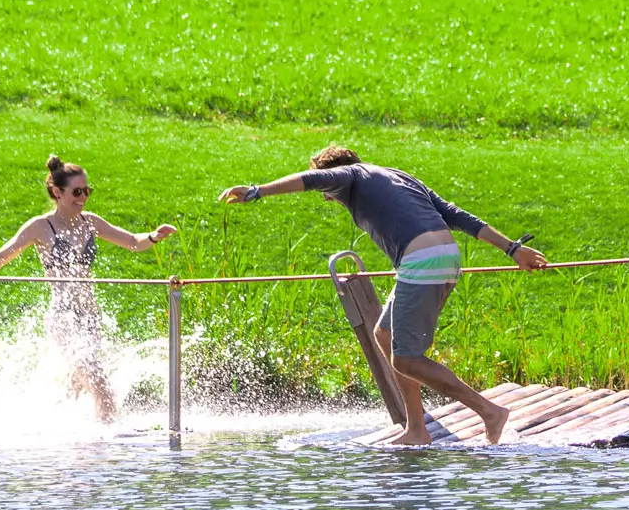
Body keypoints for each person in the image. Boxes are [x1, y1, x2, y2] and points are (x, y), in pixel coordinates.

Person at [220, 146, 548, 446]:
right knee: (385, 333)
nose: (327, 198)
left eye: (327, 193)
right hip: (443, 255)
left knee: (406, 359)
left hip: (424, 260)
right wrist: (512, 249)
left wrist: (256, 192)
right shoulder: (397, 176)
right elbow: (455, 214)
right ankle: (416, 430)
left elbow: (312, 179)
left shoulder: (351, 174)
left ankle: (489, 411)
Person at [0, 155, 177, 422]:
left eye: (87, 191)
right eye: (77, 191)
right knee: (101, 386)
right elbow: (3, 255)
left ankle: (57, 431)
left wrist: (155, 236)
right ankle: (106, 445)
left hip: (90, 317)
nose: (83, 197)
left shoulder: (91, 222)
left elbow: (133, 242)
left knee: (76, 384)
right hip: (63, 318)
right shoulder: (40, 227)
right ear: (57, 192)